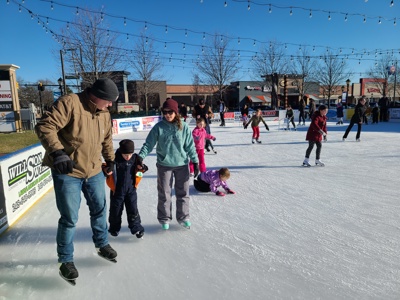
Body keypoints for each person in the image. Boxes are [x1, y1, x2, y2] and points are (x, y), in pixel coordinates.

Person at [35, 78, 119, 283]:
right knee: (69, 218)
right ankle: (65, 260)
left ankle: (102, 244)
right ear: (97, 96)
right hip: (68, 172)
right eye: (108, 101)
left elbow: (106, 138)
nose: (110, 105)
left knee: (100, 209)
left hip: (94, 170)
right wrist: (58, 152)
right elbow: (45, 126)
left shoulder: (105, 113)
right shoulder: (70, 103)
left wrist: (110, 159)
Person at [137, 98, 199, 230]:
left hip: (182, 164)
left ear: (176, 112)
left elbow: (189, 145)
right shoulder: (158, 127)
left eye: (170, 112)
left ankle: (183, 217)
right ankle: (164, 218)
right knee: (164, 193)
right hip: (164, 165)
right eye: (165, 112)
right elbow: (149, 144)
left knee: (183, 192)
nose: (168, 114)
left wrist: (195, 161)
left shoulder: (183, 126)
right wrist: (140, 157)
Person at [105, 139, 148, 239]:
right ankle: (114, 229)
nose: (128, 157)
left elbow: (140, 172)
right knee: (115, 211)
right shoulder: (115, 159)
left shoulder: (135, 159)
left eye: (130, 154)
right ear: (120, 151)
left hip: (131, 190)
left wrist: (142, 169)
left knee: (133, 209)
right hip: (117, 191)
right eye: (125, 155)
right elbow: (105, 168)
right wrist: (107, 171)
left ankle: (136, 227)